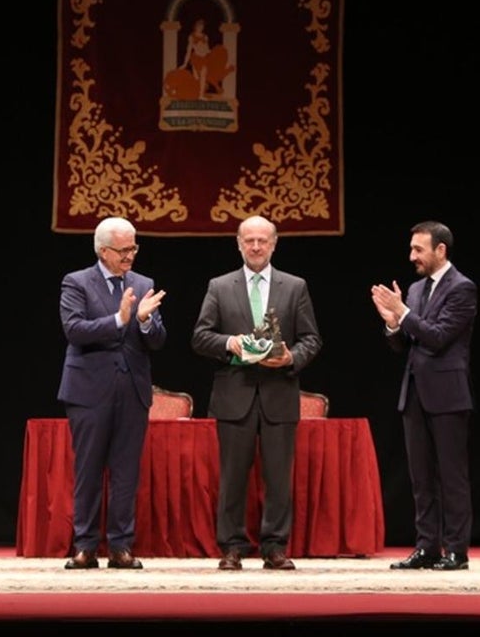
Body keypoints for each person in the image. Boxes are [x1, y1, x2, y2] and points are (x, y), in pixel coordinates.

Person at [191, 215, 322, 571]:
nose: (256, 246)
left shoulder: (295, 286)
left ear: (274, 244)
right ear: (238, 243)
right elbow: (200, 336)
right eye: (249, 240)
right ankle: (232, 547)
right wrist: (230, 342)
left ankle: (275, 547)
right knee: (232, 477)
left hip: (280, 395)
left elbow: (312, 339)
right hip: (235, 396)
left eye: (262, 240)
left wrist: (292, 357)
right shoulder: (219, 286)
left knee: (279, 479)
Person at [57, 217, 167, 570]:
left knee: (125, 473)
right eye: (123, 250)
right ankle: (85, 546)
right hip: (89, 390)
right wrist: (120, 320)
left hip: (132, 390)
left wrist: (146, 322)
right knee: (88, 470)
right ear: (103, 251)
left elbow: (157, 341)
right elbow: (74, 330)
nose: (130, 256)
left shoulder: (143, 283)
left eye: (134, 248)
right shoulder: (76, 282)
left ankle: (121, 546)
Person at [371, 220, 477, 572]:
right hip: (414, 393)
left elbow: (438, 336)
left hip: (447, 394)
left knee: (451, 475)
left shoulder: (463, 288)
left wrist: (403, 314)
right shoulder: (415, 290)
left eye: (419, 249)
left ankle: (456, 551)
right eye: (412, 248)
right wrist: (391, 322)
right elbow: (406, 343)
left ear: (440, 250)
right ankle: (427, 547)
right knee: (420, 477)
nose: (412, 255)